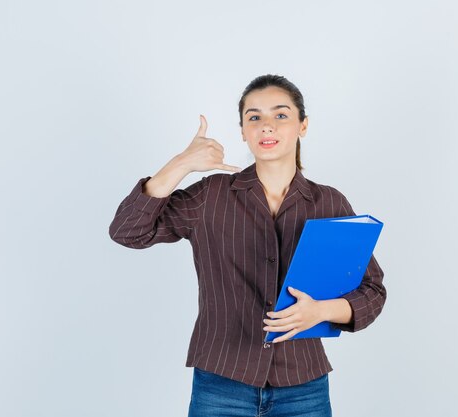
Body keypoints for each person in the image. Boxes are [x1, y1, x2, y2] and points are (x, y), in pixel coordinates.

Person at [108, 74, 387, 417]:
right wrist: (180, 164)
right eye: (254, 117)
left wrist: (322, 312)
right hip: (221, 383)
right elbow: (127, 231)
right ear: (242, 130)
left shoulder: (328, 202)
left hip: (303, 387)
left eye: (280, 115)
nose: (266, 126)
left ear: (303, 125)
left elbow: (372, 290)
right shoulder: (210, 196)